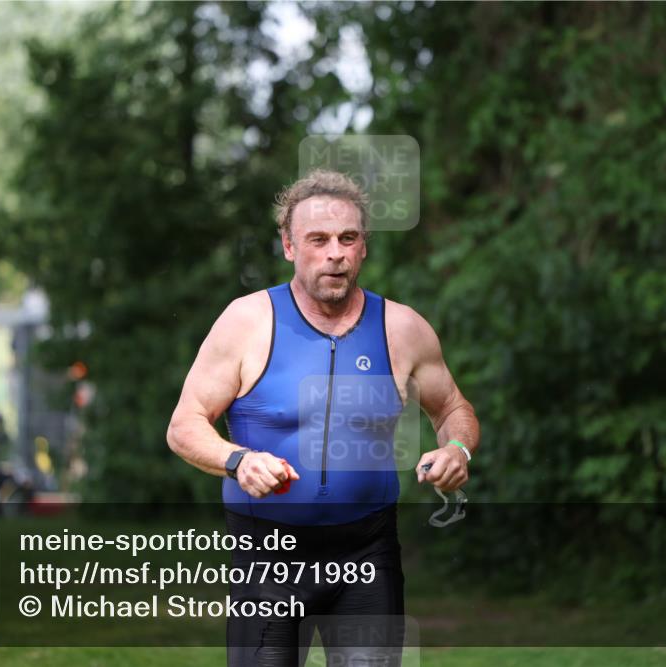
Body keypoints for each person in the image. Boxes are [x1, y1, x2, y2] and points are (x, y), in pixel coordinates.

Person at [167, 169, 480, 666]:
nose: (335, 251)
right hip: (267, 558)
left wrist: (457, 449)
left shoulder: (403, 328)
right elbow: (185, 425)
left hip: (367, 556)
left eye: (348, 238)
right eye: (318, 239)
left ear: (363, 248)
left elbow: (454, 409)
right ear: (289, 246)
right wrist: (237, 461)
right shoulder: (247, 321)